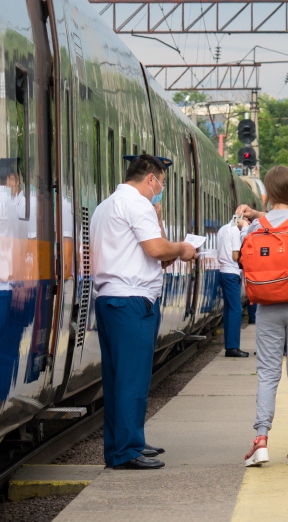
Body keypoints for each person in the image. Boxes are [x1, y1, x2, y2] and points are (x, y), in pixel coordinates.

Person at [90, 154, 198, 470]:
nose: (159, 190)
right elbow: (158, 249)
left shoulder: (105, 206)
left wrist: (159, 221)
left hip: (110, 300)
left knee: (117, 379)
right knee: (132, 379)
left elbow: (153, 253)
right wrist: (182, 248)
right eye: (161, 184)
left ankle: (124, 444)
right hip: (132, 303)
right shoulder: (136, 204)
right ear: (150, 178)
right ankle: (126, 451)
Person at [235, 166, 288, 468]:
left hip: (266, 306)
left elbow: (246, 267)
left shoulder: (257, 227)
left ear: (267, 195)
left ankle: (260, 440)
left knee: (268, 373)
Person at [216, 217, 250, 357]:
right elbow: (235, 256)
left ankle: (229, 346)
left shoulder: (222, 228)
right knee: (236, 309)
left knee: (229, 310)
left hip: (223, 272)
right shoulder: (236, 230)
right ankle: (233, 347)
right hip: (232, 273)